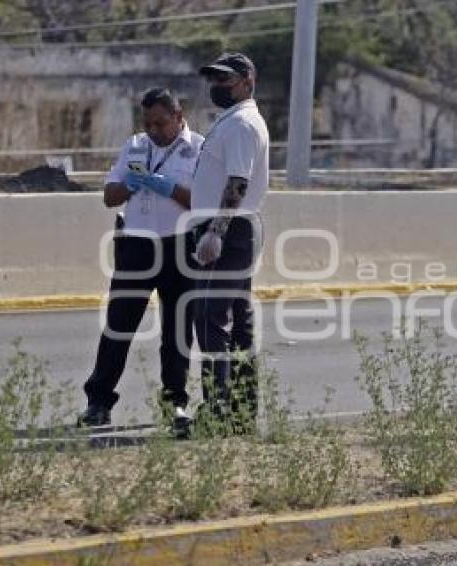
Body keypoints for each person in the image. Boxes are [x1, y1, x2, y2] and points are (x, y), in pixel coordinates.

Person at [78, 88, 204, 432]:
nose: (153, 130)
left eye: (160, 123)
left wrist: (168, 188)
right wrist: (131, 185)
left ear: (179, 116)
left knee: (177, 332)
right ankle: (98, 402)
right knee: (118, 326)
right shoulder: (134, 145)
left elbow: (205, 202)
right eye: (147, 123)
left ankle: (175, 405)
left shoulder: (200, 149)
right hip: (137, 245)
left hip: (180, 246)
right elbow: (109, 196)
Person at [190, 53, 270, 432]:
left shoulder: (240, 124)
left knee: (211, 318)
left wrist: (215, 231)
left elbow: (237, 182)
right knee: (237, 323)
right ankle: (240, 412)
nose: (218, 86)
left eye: (226, 79)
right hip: (236, 228)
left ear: (247, 80)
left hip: (230, 229)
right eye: (215, 78)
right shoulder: (236, 121)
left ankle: (219, 412)